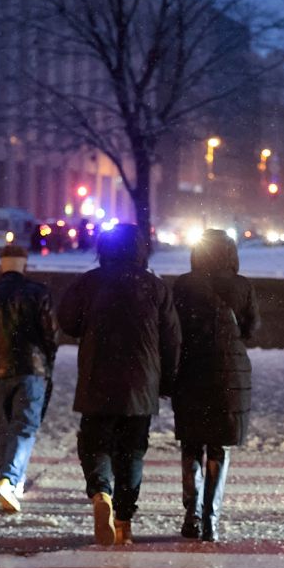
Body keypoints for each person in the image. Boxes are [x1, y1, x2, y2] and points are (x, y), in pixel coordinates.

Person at [57, 224, 181, 546]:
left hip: (98, 377)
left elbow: (67, 322)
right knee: (132, 450)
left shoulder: (90, 282)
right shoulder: (155, 287)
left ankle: (101, 493)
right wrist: (165, 381)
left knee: (95, 442)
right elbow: (172, 339)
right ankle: (124, 520)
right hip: (141, 383)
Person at [172, 230, 259, 542]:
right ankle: (211, 518)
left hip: (191, 370)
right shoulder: (242, 285)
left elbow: (172, 327)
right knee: (218, 445)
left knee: (191, 442)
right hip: (228, 375)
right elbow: (251, 329)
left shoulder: (183, 285)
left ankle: (191, 513)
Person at [0, 244, 57, 513]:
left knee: (5, 429)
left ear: (0, 265)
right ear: (25, 265)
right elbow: (51, 334)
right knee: (25, 427)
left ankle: (10, 480)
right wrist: (46, 359)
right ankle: (10, 479)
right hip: (32, 369)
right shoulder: (39, 293)